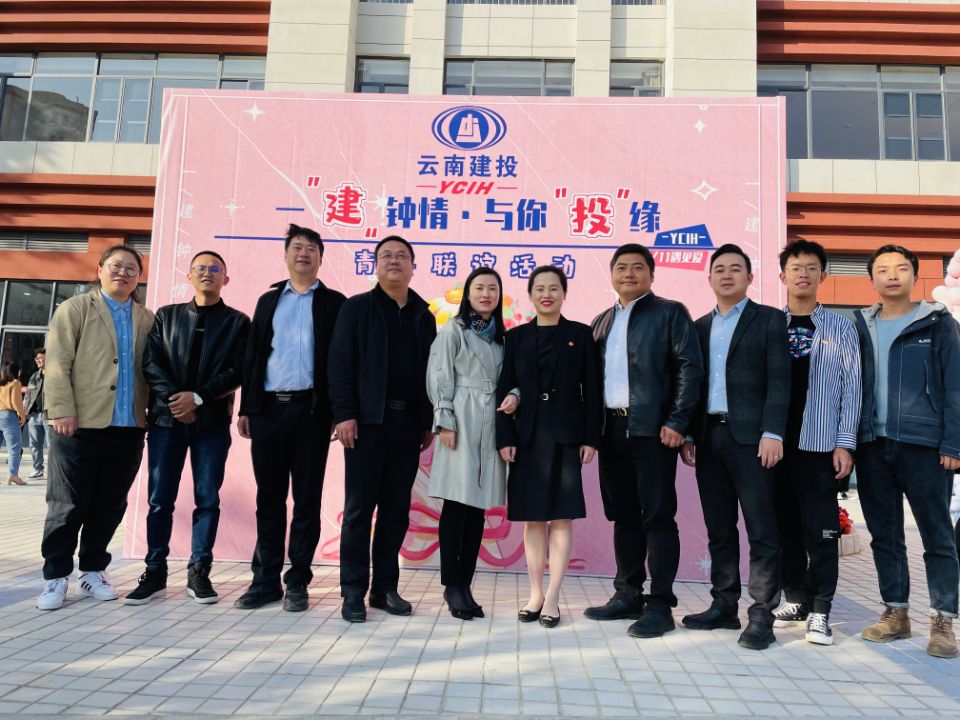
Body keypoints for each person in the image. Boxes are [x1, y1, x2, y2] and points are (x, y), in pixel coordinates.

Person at [585, 244, 703, 638]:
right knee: (623, 516)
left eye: (638, 267)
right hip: (611, 431)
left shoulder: (670, 312)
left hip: (654, 431)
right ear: (611, 274)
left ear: (652, 275)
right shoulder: (601, 321)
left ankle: (661, 604)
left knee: (658, 516)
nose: (629, 273)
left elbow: (689, 368)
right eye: (621, 267)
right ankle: (627, 594)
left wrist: (678, 421)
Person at [124, 251, 250, 606]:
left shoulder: (238, 322)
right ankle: (155, 571)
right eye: (200, 268)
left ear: (226, 279)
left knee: (207, 498)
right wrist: (177, 401)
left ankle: (199, 570)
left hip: (211, 424)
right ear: (189, 276)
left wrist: (198, 398)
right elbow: (151, 363)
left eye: (215, 269)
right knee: (159, 499)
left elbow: (238, 369)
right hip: (166, 421)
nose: (207, 273)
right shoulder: (167, 316)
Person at [680, 243, 790, 650]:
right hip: (709, 439)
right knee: (720, 528)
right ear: (709, 278)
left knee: (762, 529)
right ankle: (723, 605)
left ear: (749, 277)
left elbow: (780, 380)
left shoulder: (769, 319)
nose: (727, 275)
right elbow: (693, 385)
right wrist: (689, 434)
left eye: (735, 268)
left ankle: (761, 614)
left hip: (754, 441)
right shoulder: (698, 327)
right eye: (719, 269)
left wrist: (773, 432)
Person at [854, 244, 960, 659]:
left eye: (901, 268)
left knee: (937, 536)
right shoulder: (860, 325)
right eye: (883, 269)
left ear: (915, 276)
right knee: (885, 536)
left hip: (924, 446)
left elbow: (955, 385)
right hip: (872, 446)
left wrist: (953, 442)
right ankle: (896, 613)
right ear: (872, 279)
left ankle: (943, 621)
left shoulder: (938, 323)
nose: (892, 275)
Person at [233, 225, 345, 612]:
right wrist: (246, 407)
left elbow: (340, 361)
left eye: (311, 248)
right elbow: (253, 357)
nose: (303, 253)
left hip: (312, 412)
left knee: (307, 500)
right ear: (285, 255)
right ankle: (264, 581)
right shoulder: (268, 301)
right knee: (269, 498)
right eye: (297, 247)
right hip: (268, 410)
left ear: (320, 258)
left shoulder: (334, 303)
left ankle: (297, 580)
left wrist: (337, 412)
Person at [36, 245, 155, 611]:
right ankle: (56, 575)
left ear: (139, 277)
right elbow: (58, 361)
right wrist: (61, 410)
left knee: (109, 505)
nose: (123, 273)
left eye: (131, 268)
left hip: (128, 425)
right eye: (116, 266)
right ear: (100, 269)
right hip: (78, 425)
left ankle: (92, 571)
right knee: (67, 504)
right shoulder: (75, 309)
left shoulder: (146, 318)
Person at [330, 235, 437, 623]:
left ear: (413, 266)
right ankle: (353, 591)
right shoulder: (357, 307)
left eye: (402, 256)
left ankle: (384, 588)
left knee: (395, 512)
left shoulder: (424, 316)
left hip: (408, 426)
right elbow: (340, 364)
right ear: (375, 265)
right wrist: (345, 414)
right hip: (366, 425)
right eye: (386, 255)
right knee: (360, 510)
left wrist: (427, 421)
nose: (394, 261)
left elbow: (432, 374)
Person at [496, 265, 603, 629]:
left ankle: (553, 597)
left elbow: (593, 390)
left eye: (554, 288)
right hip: (527, 437)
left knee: (561, 518)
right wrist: (505, 438)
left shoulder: (580, 335)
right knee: (533, 519)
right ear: (530, 295)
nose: (547, 294)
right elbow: (504, 388)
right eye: (539, 288)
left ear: (564, 294)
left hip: (566, 437)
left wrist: (591, 438)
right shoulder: (516, 337)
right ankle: (534, 594)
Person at [772, 240, 861, 646]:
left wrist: (845, 443)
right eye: (795, 268)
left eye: (811, 267)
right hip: (775, 445)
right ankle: (795, 599)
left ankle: (821, 610)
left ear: (823, 275)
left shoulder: (841, 327)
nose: (803, 274)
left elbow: (852, 389)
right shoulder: (770, 324)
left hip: (819, 445)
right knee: (784, 527)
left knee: (821, 531)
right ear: (783, 276)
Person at [426, 267, 514, 620]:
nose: (486, 294)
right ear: (468, 293)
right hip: (461, 418)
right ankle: (452, 585)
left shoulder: (502, 338)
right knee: (456, 505)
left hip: (491, 422)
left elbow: (512, 376)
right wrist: (445, 418)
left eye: (492, 288)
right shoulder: (454, 330)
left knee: (478, 508)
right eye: (479, 288)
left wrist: (515, 395)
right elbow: (439, 373)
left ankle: (466, 583)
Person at [0, 361, 26, 486]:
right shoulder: (16, 383)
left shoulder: (1, 384)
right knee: (14, 448)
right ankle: (13, 475)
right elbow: (16, 401)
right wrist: (22, 414)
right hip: (8, 416)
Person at [23, 348, 46, 479]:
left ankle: (54, 470)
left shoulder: (55, 375)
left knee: (53, 445)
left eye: (41, 358)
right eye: (37, 358)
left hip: (49, 415)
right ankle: (38, 469)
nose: (38, 360)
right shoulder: (34, 376)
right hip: (34, 415)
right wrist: (24, 412)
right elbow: (28, 396)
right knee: (34, 445)